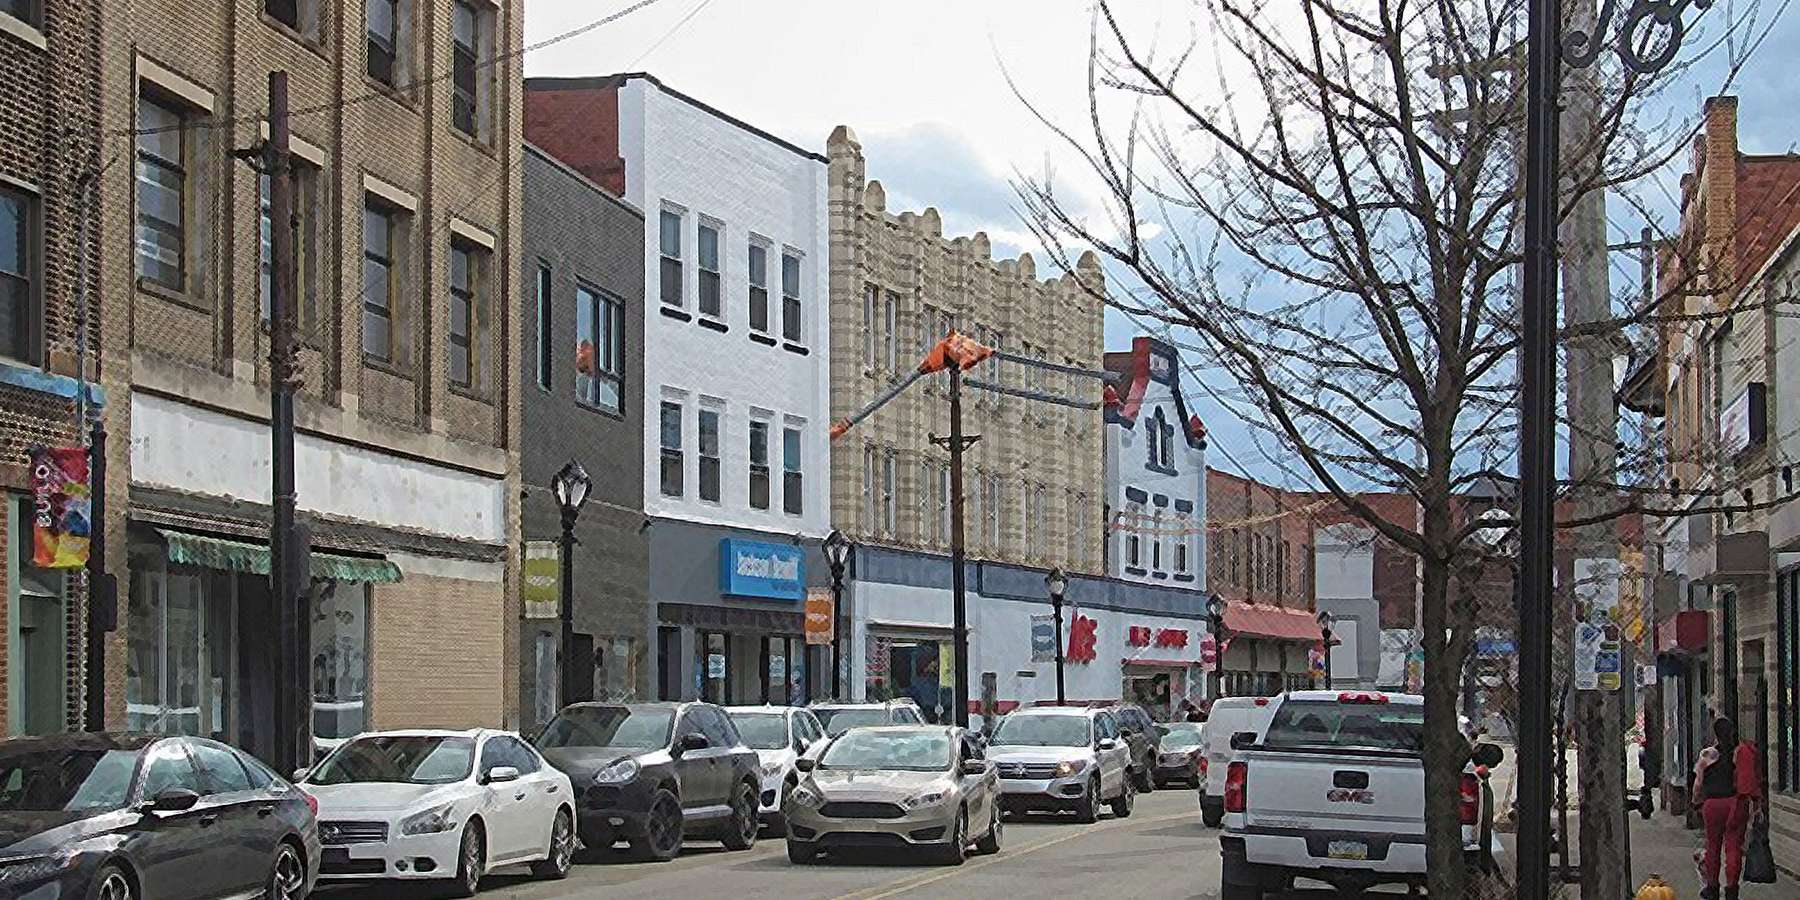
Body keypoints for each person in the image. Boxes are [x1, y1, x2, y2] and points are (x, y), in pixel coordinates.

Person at [1692, 716, 1762, 900]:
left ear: (1715, 733)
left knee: (1713, 846)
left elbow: (1698, 784)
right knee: (1733, 847)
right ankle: (1732, 890)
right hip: (1734, 803)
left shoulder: (1707, 755)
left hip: (1712, 804)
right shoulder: (1739, 753)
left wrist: (1695, 802)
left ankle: (1712, 888)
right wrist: (1755, 805)